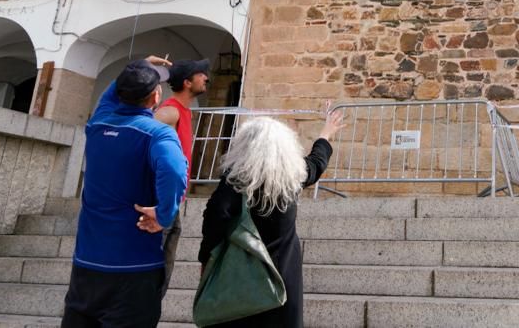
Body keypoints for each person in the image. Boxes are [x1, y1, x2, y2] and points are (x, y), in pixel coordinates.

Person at [62, 56, 188, 328]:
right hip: (135, 268)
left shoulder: (97, 125)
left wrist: (138, 64)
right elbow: (176, 171)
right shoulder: (157, 134)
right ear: (156, 96)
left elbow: (110, 95)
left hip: (86, 263)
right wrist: (164, 215)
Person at [198, 108, 346, 328]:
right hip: (281, 279)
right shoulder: (292, 179)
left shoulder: (233, 185)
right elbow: (316, 163)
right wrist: (326, 133)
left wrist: (206, 262)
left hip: (239, 279)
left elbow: (214, 222)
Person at [154, 58, 211, 292]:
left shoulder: (184, 112)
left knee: (162, 270)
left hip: (173, 200)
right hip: (160, 200)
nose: (206, 78)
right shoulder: (170, 111)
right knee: (154, 268)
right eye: (201, 74)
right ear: (187, 82)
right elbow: (142, 133)